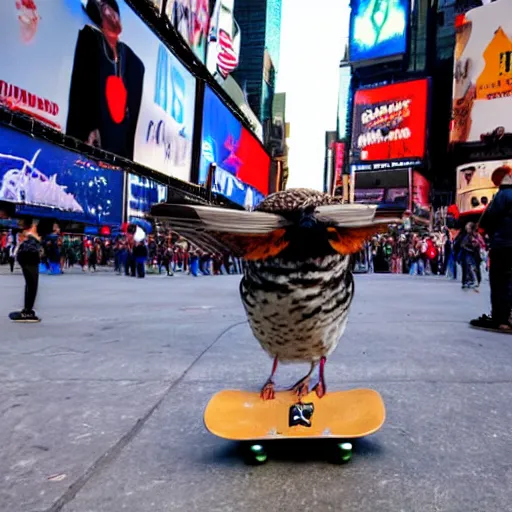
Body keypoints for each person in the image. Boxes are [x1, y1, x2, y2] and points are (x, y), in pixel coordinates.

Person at [471, 165, 512, 332]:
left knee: (500, 281)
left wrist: (487, 233)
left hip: (503, 245)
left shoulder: (503, 196)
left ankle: (501, 319)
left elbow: (487, 220)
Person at [8, 218, 54, 322]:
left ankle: (27, 309)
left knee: (31, 285)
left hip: (28, 257)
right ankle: (27, 311)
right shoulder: (31, 231)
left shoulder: (32, 232)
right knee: (32, 285)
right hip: (28, 257)